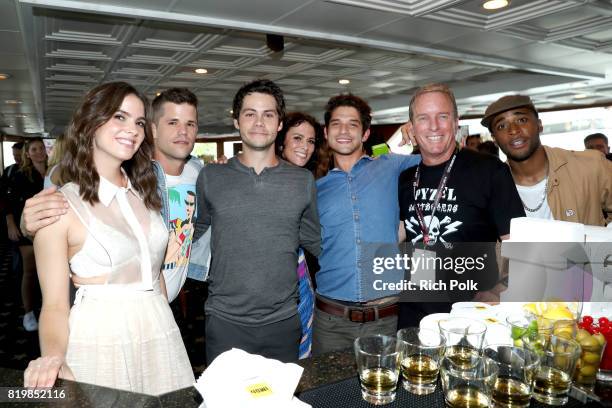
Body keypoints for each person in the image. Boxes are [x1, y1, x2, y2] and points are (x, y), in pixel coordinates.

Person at [22, 82, 194, 394]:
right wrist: (53, 357)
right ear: (90, 122)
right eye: (120, 117)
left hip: (160, 329)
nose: (133, 129)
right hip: (102, 337)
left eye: (139, 122)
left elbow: (156, 275)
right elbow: (56, 306)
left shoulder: (145, 192)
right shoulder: (59, 206)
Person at [20, 88, 210, 303]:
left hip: (171, 301)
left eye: (190, 124)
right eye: (173, 123)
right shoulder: (129, 176)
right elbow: (70, 211)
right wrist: (28, 225)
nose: (183, 131)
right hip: (120, 303)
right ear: (153, 130)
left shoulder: (199, 172)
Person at [193, 79, 321, 364]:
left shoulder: (302, 181)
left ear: (279, 124)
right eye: (250, 113)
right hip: (225, 321)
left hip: (283, 322)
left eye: (268, 114)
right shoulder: (211, 177)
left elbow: (317, 242)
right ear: (237, 121)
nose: (259, 122)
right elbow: (193, 235)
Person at [398, 83, 525, 328]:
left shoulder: (490, 171)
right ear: (412, 127)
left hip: (470, 317)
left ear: (456, 121)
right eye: (423, 118)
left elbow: (520, 245)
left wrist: (500, 290)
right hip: (413, 316)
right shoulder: (405, 178)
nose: (434, 126)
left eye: (442, 116)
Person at [313, 94, 421, 355]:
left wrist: (422, 131)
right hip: (330, 322)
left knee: (386, 394)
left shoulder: (392, 166)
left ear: (365, 133)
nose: (344, 130)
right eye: (337, 124)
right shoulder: (315, 189)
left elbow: (442, 161)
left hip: (387, 319)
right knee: (329, 395)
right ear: (326, 132)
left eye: (353, 124)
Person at [482, 95, 612, 226]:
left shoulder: (590, 166)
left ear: (539, 125)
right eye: (501, 126)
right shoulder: (488, 190)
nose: (514, 130)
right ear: (494, 138)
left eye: (522, 120)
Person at [275, 111, 324, 359]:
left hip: (300, 274)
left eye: (311, 141)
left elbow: (311, 236)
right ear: (281, 141)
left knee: (299, 359)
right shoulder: (263, 176)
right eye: (297, 138)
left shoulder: (305, 180)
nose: (305, 147)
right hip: (266, 285)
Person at [6, 138, 47, 331]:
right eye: (34, 149)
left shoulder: (54, 171)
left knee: (48, 272)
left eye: (41, 148)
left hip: (48, 227)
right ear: (28, 154)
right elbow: (10, 203)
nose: (38, 152)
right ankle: (29, 312)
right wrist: (11, 225)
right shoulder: (21, 175)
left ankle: (49, 308)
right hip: (26, 228)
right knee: (30, 270)